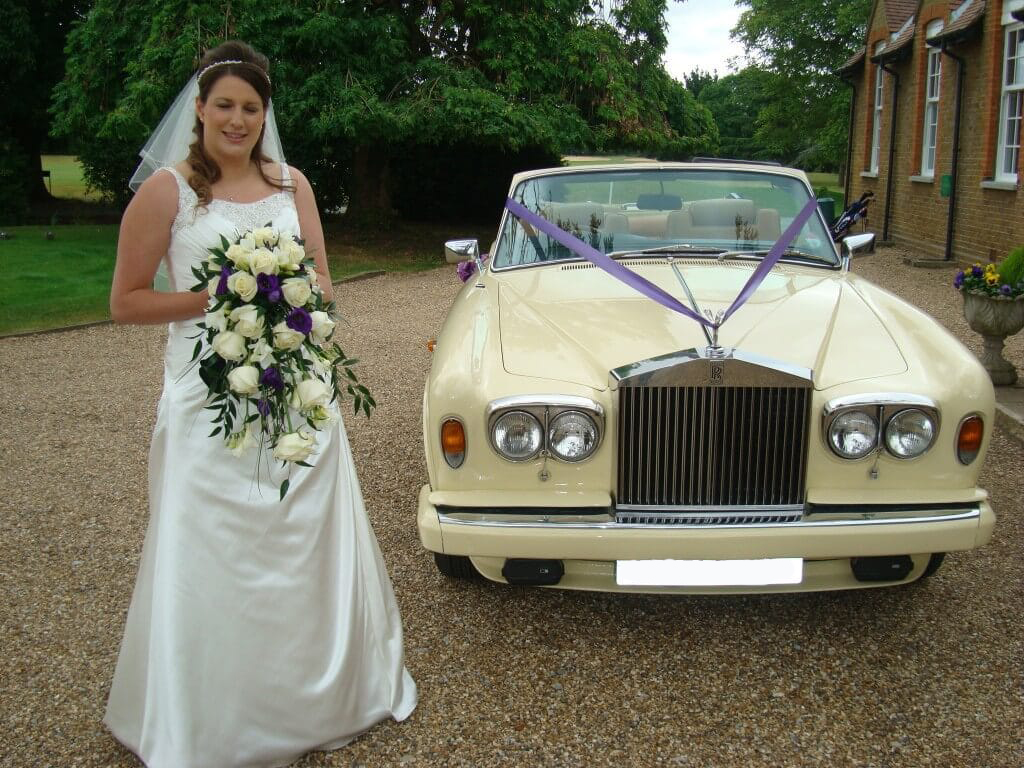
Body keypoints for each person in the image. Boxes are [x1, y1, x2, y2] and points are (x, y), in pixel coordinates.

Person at [105, 40, 417, 767]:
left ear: (264, 113)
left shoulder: (293, 185)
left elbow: (324, 285)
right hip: (206, 397)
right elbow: (125, 302)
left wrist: (300, 335)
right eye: (225, 106)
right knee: (213, 551)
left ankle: (319, 694)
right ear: (201, 110)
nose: (238, 120)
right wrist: (220, 298)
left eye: (251, 108)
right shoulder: (169, 192)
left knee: (301, 541)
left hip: (297, 392)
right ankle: (207, 716)